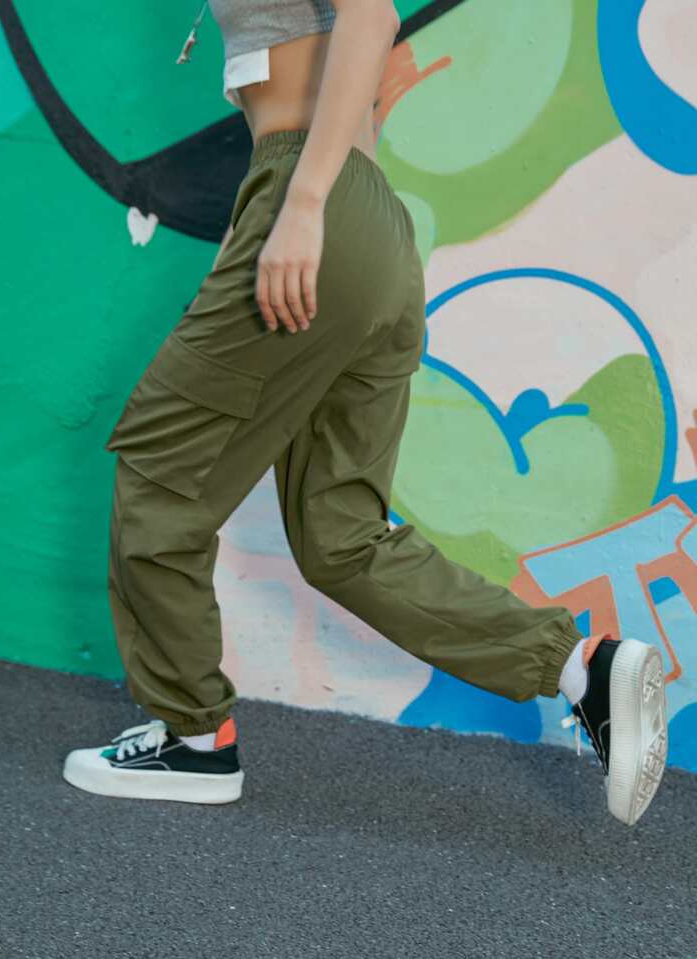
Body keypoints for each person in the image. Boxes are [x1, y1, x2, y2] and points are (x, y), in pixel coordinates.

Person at [62, 0, 668, 827]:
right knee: (341, 538)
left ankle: (193, 740)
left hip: (315, 198)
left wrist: (302, 203)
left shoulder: (306, 189)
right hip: (362, 224)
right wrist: (287, 210)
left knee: (161, 474)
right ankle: (580, 667)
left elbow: (371, 16)